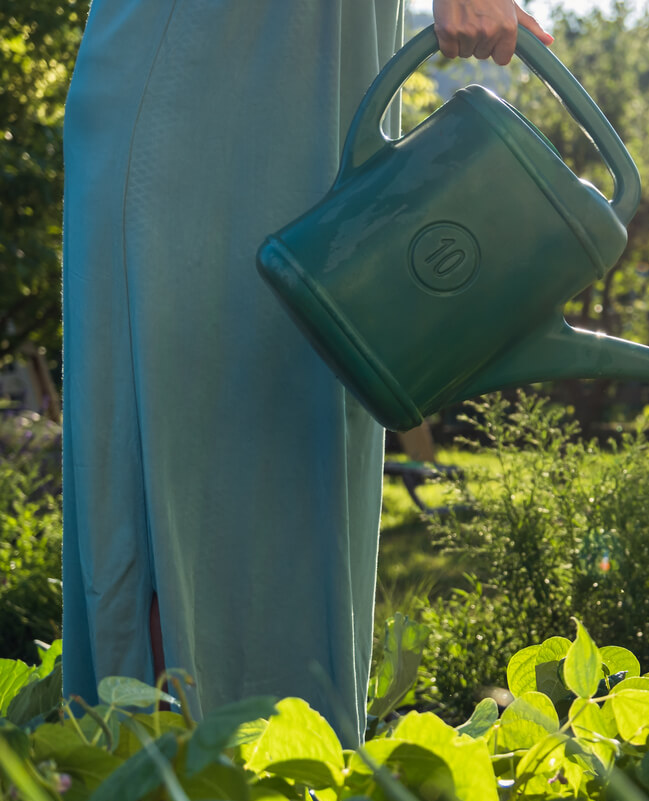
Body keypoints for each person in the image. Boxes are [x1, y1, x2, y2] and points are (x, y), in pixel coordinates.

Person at [61, 0, 551, 745]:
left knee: (303, 452)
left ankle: (286, 786)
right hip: (202, 72)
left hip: (326, 76)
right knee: (177, 483)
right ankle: (183, 790)